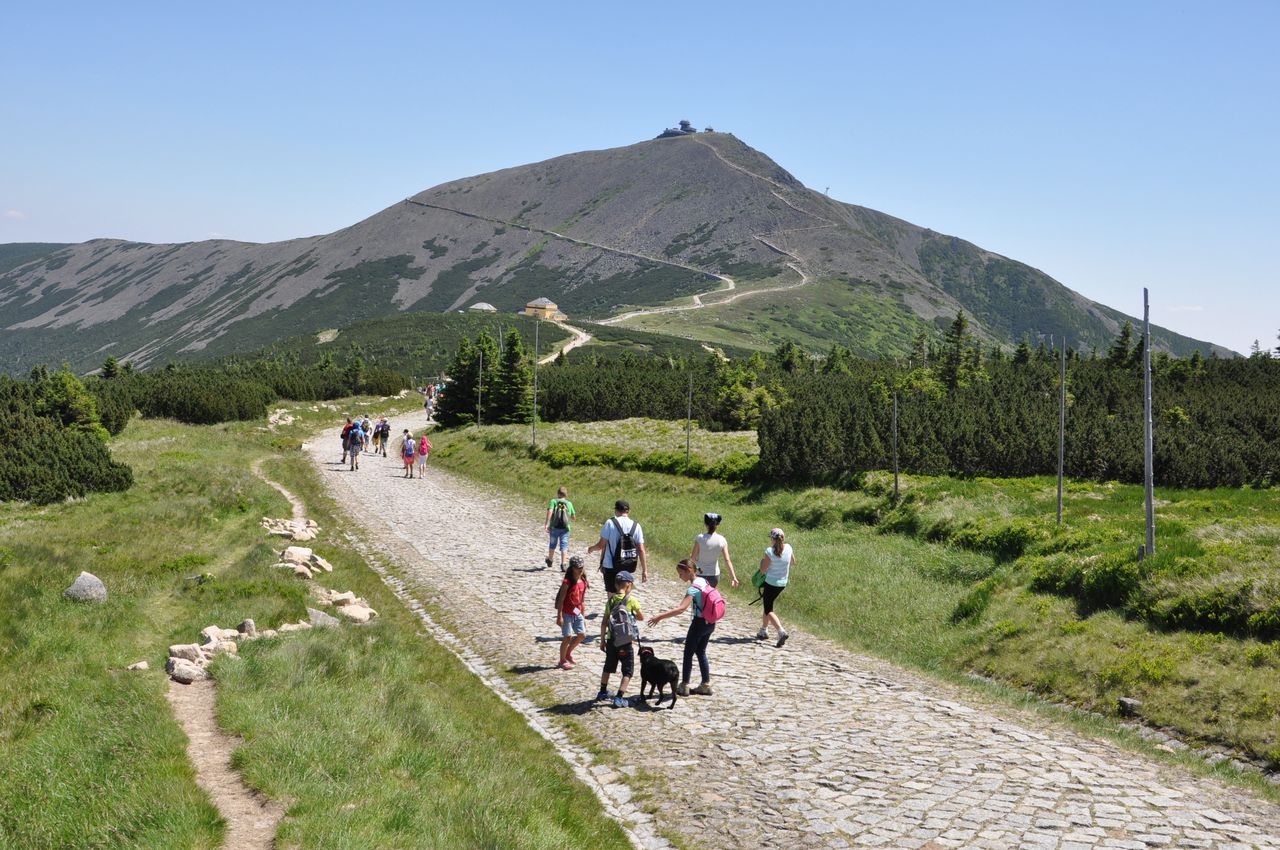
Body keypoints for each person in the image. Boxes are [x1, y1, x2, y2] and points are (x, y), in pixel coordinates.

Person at [648, 559, 716, 696]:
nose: (680, 577)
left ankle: (684, 685)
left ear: (689, 571)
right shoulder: (703, 581)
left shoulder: (693, 588)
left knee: (688, 653)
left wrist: (659, 617)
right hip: (711, 622)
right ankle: (706, 684)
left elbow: (681, 609)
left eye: (680, 574)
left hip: (699, 623)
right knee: (701, 652)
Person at [597, 570, 643, 708]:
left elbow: (604, 622)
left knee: (608, 666)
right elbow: (641, 617)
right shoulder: (631, 600)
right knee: (628, 670)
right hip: (625, 641)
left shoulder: (610, 600)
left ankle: (603, 691)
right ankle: (619, 697)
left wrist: (602, 640)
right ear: (628, 585)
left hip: (612, 640)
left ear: (616, 585)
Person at [586, 500, 648, 594]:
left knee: (612, 599)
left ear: (616, 510)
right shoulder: (637, 526)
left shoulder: (610, 523)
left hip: (610, 566)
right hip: (628, 566)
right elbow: (641, 550)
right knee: (625, 598)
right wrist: (644, 570)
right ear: (628, 511)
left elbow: (601, 545)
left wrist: (591, 548)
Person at [756, 528, 794, 647]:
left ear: (772, 539)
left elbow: (763, 570)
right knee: (768, 604)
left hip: (771, 583)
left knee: (768, 609)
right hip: (782, 583)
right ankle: (763, 630)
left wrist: (762, 561)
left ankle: (781, 631)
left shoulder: (769, 551)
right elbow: (793, 562)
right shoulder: (788, 547)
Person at [555, 555, 589, 669]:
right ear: (572, 568)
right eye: (577, 567)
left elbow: (582, 600)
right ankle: (562, 660)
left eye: (581, 567)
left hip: (577, 611)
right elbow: (561, 599)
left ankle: (568, 653)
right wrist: (559, 616)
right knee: (567, 637)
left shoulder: (583, 581)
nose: (580, 569)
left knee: (582, 635)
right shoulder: (567, 582)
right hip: (566, 612)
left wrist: (583, 617)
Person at [690, 512, 738, 589]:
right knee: (709, 597)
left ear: (705, 524)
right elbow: (727, 560)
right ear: (717, 525)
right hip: (714, 575)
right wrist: (733, 577)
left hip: (700, 574)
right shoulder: (722, 540)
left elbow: (692, 558)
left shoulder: (700, 538)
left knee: (698, 598)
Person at [544, 486, 576, 571]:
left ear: (558, 494)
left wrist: (547, 523)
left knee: (552, 544)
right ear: (566, 495)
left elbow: (550, 511)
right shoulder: (569, 503)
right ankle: (563, 564)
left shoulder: (553, 501)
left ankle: (550, 560)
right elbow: (573, 517)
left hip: (554, 527)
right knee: (564, 545)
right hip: (565, 528)